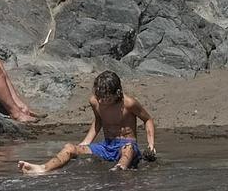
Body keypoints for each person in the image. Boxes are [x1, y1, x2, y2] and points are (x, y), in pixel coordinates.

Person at [19, 70, 157, 174]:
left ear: (117, 93)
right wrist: (85, 143)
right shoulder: (95, 101)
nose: (101, 101)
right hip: (106, 146)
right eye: (99, 97)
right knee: (69, 148)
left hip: (127, 145)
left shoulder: (129, 103)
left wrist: (151, 145)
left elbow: (148, 119)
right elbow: (98, 122)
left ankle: (119, 170)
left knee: (128, 149)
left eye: (106, 98)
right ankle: (42, 168)